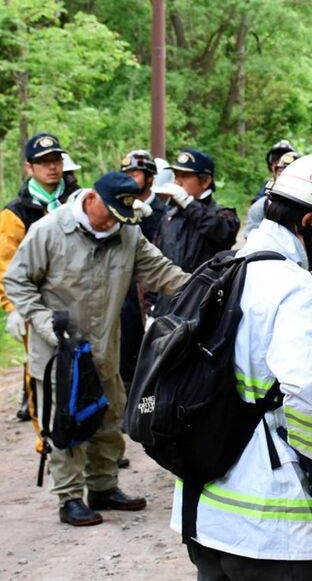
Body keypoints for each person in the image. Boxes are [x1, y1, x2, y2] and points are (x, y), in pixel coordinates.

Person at [175, 155, 312, 580]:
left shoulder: (226, 267)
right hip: (271, 521)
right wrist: (310, 460)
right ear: (309, 222)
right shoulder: (294, 285)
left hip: (205, 511)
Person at [4, 172, 190, 527]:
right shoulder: (49, 231)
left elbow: (161, 272)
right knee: (67, 423)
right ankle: (70, 497)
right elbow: (17, 280)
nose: (114, 224)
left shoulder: (127, 233)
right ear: (91, 199)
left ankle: (104, 487)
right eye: (110, 215)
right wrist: (44, 323)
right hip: (60, 354)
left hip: (105, 348)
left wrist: (205, 286)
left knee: (108, 418)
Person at [0, 133, 78, 428]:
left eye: (56, 160)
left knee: (85, 367)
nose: (52, 167)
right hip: (37, 304)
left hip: (80, 299)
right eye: (43, 162)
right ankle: (45, 435)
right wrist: (13, 307)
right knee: (41, 371)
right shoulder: (15, 212)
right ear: (29, 167)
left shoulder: (77, 201)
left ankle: (86, 437)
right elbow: (5, 265)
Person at [118, 150, 168, 390]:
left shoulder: (164, 212)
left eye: (135, 173)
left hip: (153, 292)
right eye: (126, 173)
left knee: (150, 353)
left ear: (150, 178)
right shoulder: (118, 210)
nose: (130, 178)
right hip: (124, 291)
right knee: (123, 350)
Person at [152, 148, 239, 273]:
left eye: (185, 176)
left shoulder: (223, 215)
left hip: (203, 290)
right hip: (168, 290)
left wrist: (188, 203)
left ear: (205, 181)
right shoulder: (170, 214)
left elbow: (221, 232)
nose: (177, 181)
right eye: (176, 175)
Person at [243, 150, 300, 237]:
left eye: (292, 175)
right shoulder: (260, 207)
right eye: (281, 173)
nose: (285, 179)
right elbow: (251, 239)